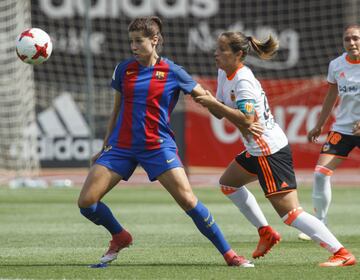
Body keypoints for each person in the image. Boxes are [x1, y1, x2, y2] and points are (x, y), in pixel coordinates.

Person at [77, 16, 256, 268]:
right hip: (121, 147)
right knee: (86, 202)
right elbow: (116, 110)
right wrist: (104, 145)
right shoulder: (123, 69)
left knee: (188, 200)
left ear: (155, 40)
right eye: (131, 41)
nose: (134, 46)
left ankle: (230, 255)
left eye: (139, 41)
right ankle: (120, 236)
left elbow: (207, 101)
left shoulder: (173, 71)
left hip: (157, 147)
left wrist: (228, 112)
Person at [194, 31, 356, 267]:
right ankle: (266, 232)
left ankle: (341, 253)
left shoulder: (243, 80)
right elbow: (220, 112)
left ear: (239, 54)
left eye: (222, 49)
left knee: (291, 214)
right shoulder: (224, 73)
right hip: (257, 148)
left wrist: (212, 103)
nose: (215, 53)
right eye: (216, 48)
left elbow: (247, 120)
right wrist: (208, 100)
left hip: (268, 151)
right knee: (228, 184)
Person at [298, 24, 360, 241]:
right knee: (320, 173)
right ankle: (321, 224)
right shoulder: (336, 65)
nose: (352, 43)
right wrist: (320, 124)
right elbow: (331, 94)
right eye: (347, 39)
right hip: (342, 129)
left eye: (356, 38)